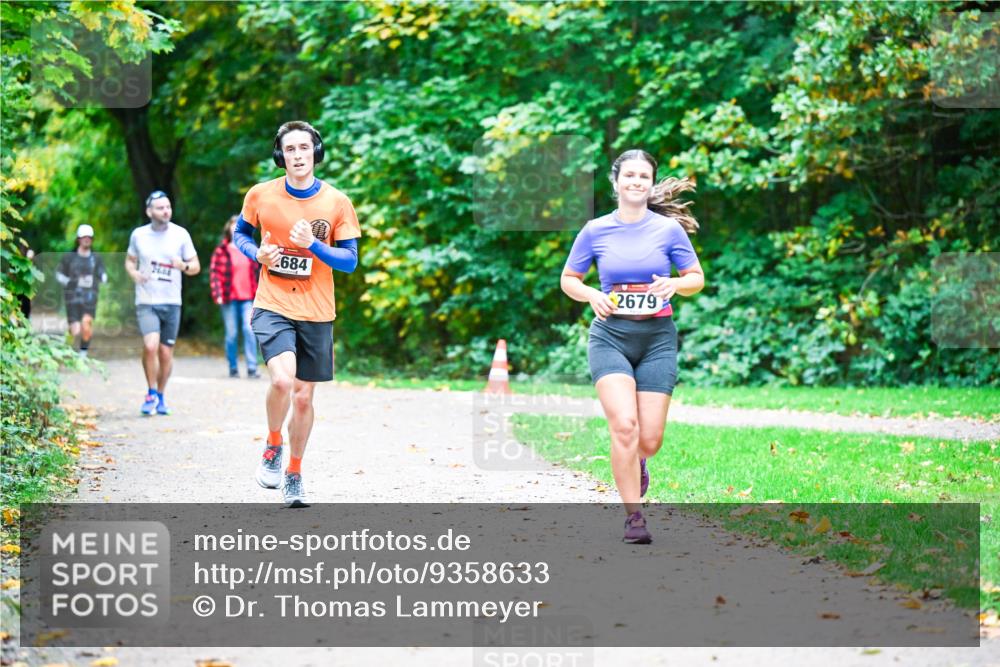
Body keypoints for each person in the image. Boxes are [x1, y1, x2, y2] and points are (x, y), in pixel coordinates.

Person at [560, 149, 705, 544]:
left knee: (649, 439)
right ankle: (634, 517)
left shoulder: (667, 231)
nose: (636, 181)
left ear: (651, 182)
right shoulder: (595, 230)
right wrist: (590, 294)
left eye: (644, 175)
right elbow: (569, 278)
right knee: (624, 427)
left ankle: (639, 460)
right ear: (616, 182)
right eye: (629, 175)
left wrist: (674, 284)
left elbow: (696, 277)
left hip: (658, 339)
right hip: (610, 337)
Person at [232, 120, 361, 508]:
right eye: (290, 150)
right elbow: (241, 234)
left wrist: (314, 247)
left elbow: (351, 261)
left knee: (304, 399)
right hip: (273, 303)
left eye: (304, 148)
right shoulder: (260, 195)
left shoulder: (337, 202)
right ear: (280, 156)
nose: (298, 156)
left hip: (317, 310)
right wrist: (257, 253)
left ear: (315, 152)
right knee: (284, 382)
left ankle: (294, 472)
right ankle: (273, 443)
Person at [125, 191, 200, 416]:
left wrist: (184, 266)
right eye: (160, 208)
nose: (166, 211)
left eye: (168, 207)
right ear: (149, 211)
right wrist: (135, 274)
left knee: (166, 353)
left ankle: (160, 395)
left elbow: (195, 266)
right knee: (150, 346)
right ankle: (150, 391)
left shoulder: (181, 234)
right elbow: (129, 261)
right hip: (147, 300)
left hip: (172, 301)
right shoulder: (139, 235)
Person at [210, 215, 261, 378]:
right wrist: (217, 294)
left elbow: (260, 271)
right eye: (233, 224)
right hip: (228, 298)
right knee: (231, 334)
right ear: (228, 228)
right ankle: (232, 366)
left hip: (248, 297)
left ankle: (252, 367)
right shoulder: (221, 251)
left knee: (249, 329)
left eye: (238, 224)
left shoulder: (250, 247)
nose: (235, 227)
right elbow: (215, 274)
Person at [56, 224, 107, 357]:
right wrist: (69, 282)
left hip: (90, 297)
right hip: (72, 297)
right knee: (75, 330)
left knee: (86, 324)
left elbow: (102, 273)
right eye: (84, 237)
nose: (87, 240)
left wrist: (103, 277)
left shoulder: (96, 258)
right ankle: (67, 344)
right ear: (78, 239)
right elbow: (59, 274)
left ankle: (83, 354)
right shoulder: (69, 257)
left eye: (89, 237)